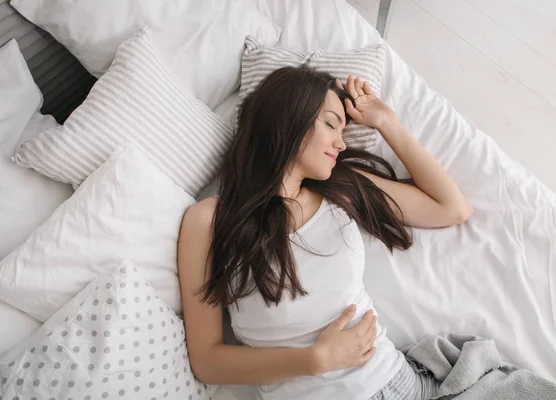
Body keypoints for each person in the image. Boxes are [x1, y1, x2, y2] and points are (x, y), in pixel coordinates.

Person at [177, 65, 473, 400]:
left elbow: (453, 209)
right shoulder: (208, 222)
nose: (341, 143)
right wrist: (313, 360)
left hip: (400, 387)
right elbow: (206, 360)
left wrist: (387, 122)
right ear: (290, 120)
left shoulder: (340, 190)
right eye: (331, 124)